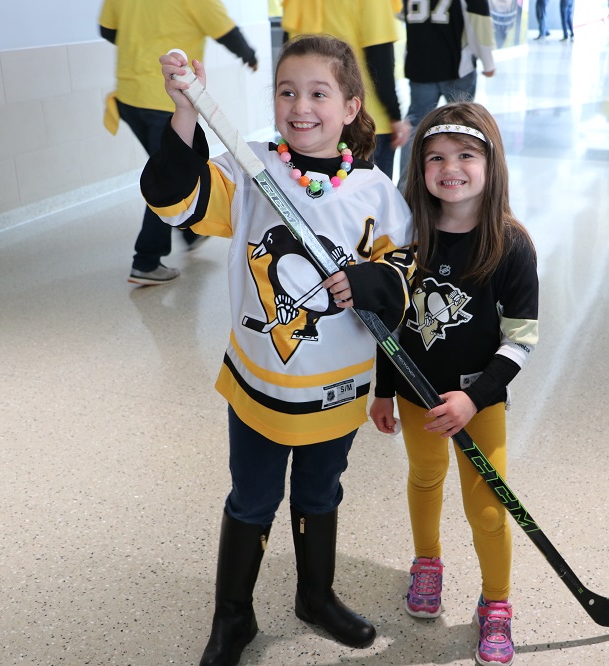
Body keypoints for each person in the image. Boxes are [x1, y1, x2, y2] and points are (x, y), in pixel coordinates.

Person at [147, 35, 415, 665]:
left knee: (321, 494)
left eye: (319, 93)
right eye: (287, 91)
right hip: (260, 382)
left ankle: (314, 597)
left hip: (337, 388)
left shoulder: (377, 190)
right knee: (252, 498)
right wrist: (185, 110)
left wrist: (374, 281)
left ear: (350, 107)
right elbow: (172, 201)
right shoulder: (250, 166)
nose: (301, 106)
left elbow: (403, 271)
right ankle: (232, 616)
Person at [369, 102, 539, 666]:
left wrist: (475, 396)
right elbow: (389, 321)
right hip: (418, 396)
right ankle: (427, 561)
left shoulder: (511, 245)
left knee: (489, 508)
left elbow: (521, 340)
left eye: (466, 155)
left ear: (491, 165)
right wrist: (385, 389)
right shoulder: (405, 237)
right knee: (424, 476)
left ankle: (496, 604)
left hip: (478, 399)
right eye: (436, 157)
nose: (451, 167)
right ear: (418, 167)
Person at [99, 0, 258, 286]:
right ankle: (146, 260)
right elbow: (226, 31)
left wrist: (143, 38)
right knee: (169, 174)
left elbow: (107, 31)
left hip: (129, 95)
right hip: (165, 97)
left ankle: (190, 229)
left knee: (171, 169)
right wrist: (249, 54)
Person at [282, 0, 412, 179]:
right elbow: (380, 60)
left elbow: (288, 54)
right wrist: (395, 115)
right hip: (366, 121)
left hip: (308, 123)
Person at [396, 0, 497, 190]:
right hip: (457, 68)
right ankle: (460, 183)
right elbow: (481, 22)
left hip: (421, 67)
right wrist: (488, 62)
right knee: (461, 128)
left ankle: (405, 189)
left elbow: (399, 13)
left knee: (416, 126)